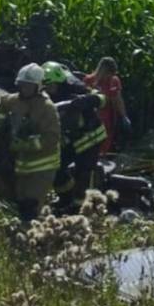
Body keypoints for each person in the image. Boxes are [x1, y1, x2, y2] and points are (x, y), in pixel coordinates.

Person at [0, 63, 62, 220]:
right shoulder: (14, 101)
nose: (24, 89)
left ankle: (36, 239)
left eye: (28, 86)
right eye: (22, 85)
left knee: (30, 207)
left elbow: (52, 138)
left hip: (43, 166)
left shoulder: (47, 108)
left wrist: (25, 144)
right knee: (19, 203)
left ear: (38, 86)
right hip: (22, 165)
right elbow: (2, 104)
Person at [41, 61, 107, 207]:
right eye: (45, 86)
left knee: (83, 173)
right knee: (56, 167)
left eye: (51, 85)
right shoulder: (47, 97)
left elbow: (102, 99)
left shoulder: (77, 88)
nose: (49, 89)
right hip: (71, 139)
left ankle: (80, 207)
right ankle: (65, 199)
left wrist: (89, 100)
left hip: (91, 137)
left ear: (59, 81)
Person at [84, 57, 129, 154]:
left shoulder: (114, 81)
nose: (110, 76)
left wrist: (124, 116)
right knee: (92, 148)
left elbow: (118, 100)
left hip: (109, 120)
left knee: (105, 147)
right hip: (92, 121)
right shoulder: (89, 81)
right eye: (109, 73)